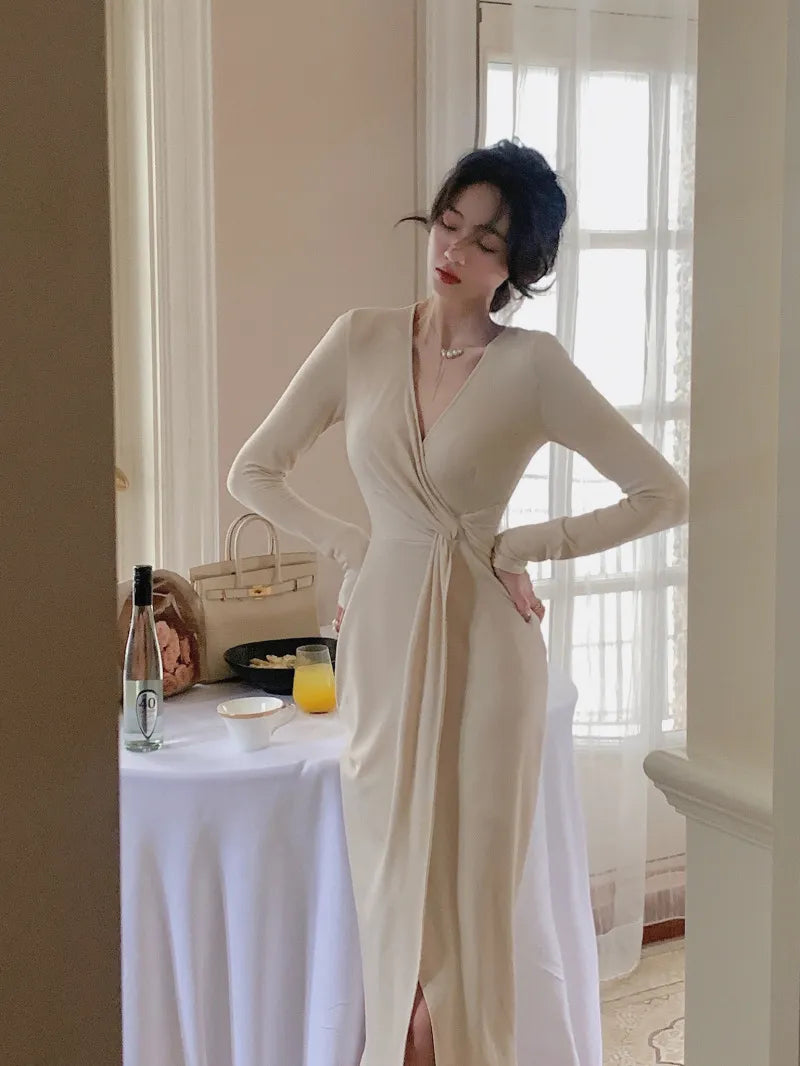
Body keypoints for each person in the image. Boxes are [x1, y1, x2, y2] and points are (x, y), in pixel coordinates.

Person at [227, 139, 689, 1066]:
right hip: (382, 640)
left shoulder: (533, 366)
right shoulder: (359, 339)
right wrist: (355, 546)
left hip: (489, 651)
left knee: (471, 906)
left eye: (487, 240)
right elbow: (254, 471)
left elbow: (661, 493)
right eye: (449, 223)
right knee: (393, 896)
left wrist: (520, 546)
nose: (456, 250)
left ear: (518, 265)